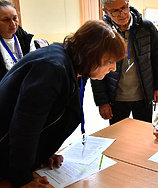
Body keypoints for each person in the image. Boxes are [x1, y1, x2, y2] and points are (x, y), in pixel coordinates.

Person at [0, 20, 126, 188]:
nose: (114, 68)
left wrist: (42, 153)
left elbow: (49, 117)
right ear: (91, 53)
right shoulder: (52, 68)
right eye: (110, 61)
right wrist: (22, 179)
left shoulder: (77, 66)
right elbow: (24, 128)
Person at [91, 0, 158, 125]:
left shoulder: (147, 28)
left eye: (124, 8)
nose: (122, 14)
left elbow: (157, 59)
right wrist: (102, 101)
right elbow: (95, 69)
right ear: (106, 12)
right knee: (118, 136)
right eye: (115, 11)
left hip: (143, 95)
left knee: (143, 136)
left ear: (128, 3)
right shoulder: (100, 33)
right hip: (116, 97)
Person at [0, 1, 36, 81]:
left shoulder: (26, 39)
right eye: (5, 20)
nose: (12, 23)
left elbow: (34, 65)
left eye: (15, 18)